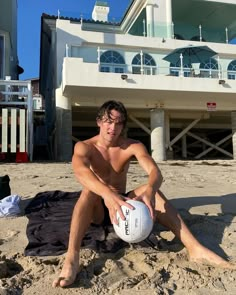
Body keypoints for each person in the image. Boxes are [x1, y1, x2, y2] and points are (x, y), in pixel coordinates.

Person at [53, 100, 234, 288]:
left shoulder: (132, 146)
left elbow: (155, 172)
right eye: (108, 121)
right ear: (99, 122)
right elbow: (80, 171)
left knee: (152, 192)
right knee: (88, 191)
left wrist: (150, 189)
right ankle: (72, 259)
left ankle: (195, 249)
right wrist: (107, 194)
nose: (112, 127)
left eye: (118, 122)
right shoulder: (85, 146)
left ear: (123, 125)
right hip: (99, 207)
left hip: (124, 204)